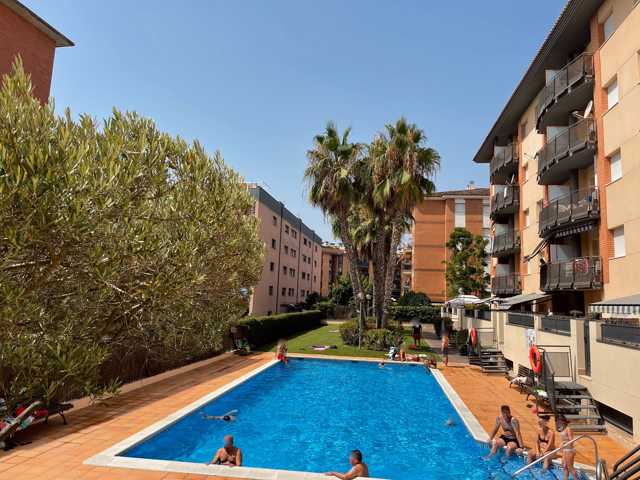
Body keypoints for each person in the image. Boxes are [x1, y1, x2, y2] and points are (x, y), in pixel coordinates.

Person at [557, 415, 577, 480]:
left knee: (570, 467)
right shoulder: (562, 429)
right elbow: (563, 439)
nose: (558, 422)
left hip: (570, 450)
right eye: (558, 421)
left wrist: (563, 443)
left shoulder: (568, 429)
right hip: (565, 449)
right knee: (564, 466)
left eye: (560, 421)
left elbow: (571, 440)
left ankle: (575, 478)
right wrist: (561, 444)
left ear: (563, 421)